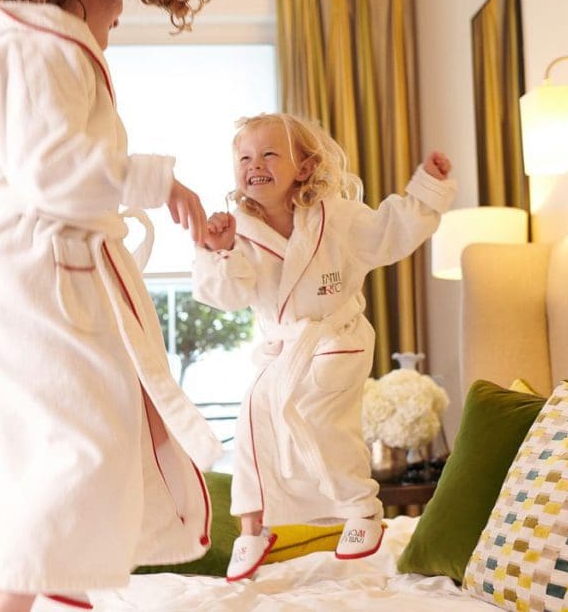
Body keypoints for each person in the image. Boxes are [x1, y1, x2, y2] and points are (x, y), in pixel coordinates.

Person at [0, 0, 222, 610]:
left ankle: (56, 587)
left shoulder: (41, 48)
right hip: (35, 269)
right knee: (80, 444)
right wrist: (159, 182)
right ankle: (28, 593)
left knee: (80, 442)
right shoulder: (39, 48)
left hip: (43, 268)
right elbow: (51, 171)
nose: (120, 12)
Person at [192, 113, 456, 582]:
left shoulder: (337, 217)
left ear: (306, 165)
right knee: (255, 417)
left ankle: (360, 508)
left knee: (317, 416)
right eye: (245, 157)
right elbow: (228, 297)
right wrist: (220, 251)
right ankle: (254, 525)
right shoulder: (241, 231)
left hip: (336, 337)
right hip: (281, 349)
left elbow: (389, 232)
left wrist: (426, 192)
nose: (255, 164)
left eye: (270, 153)